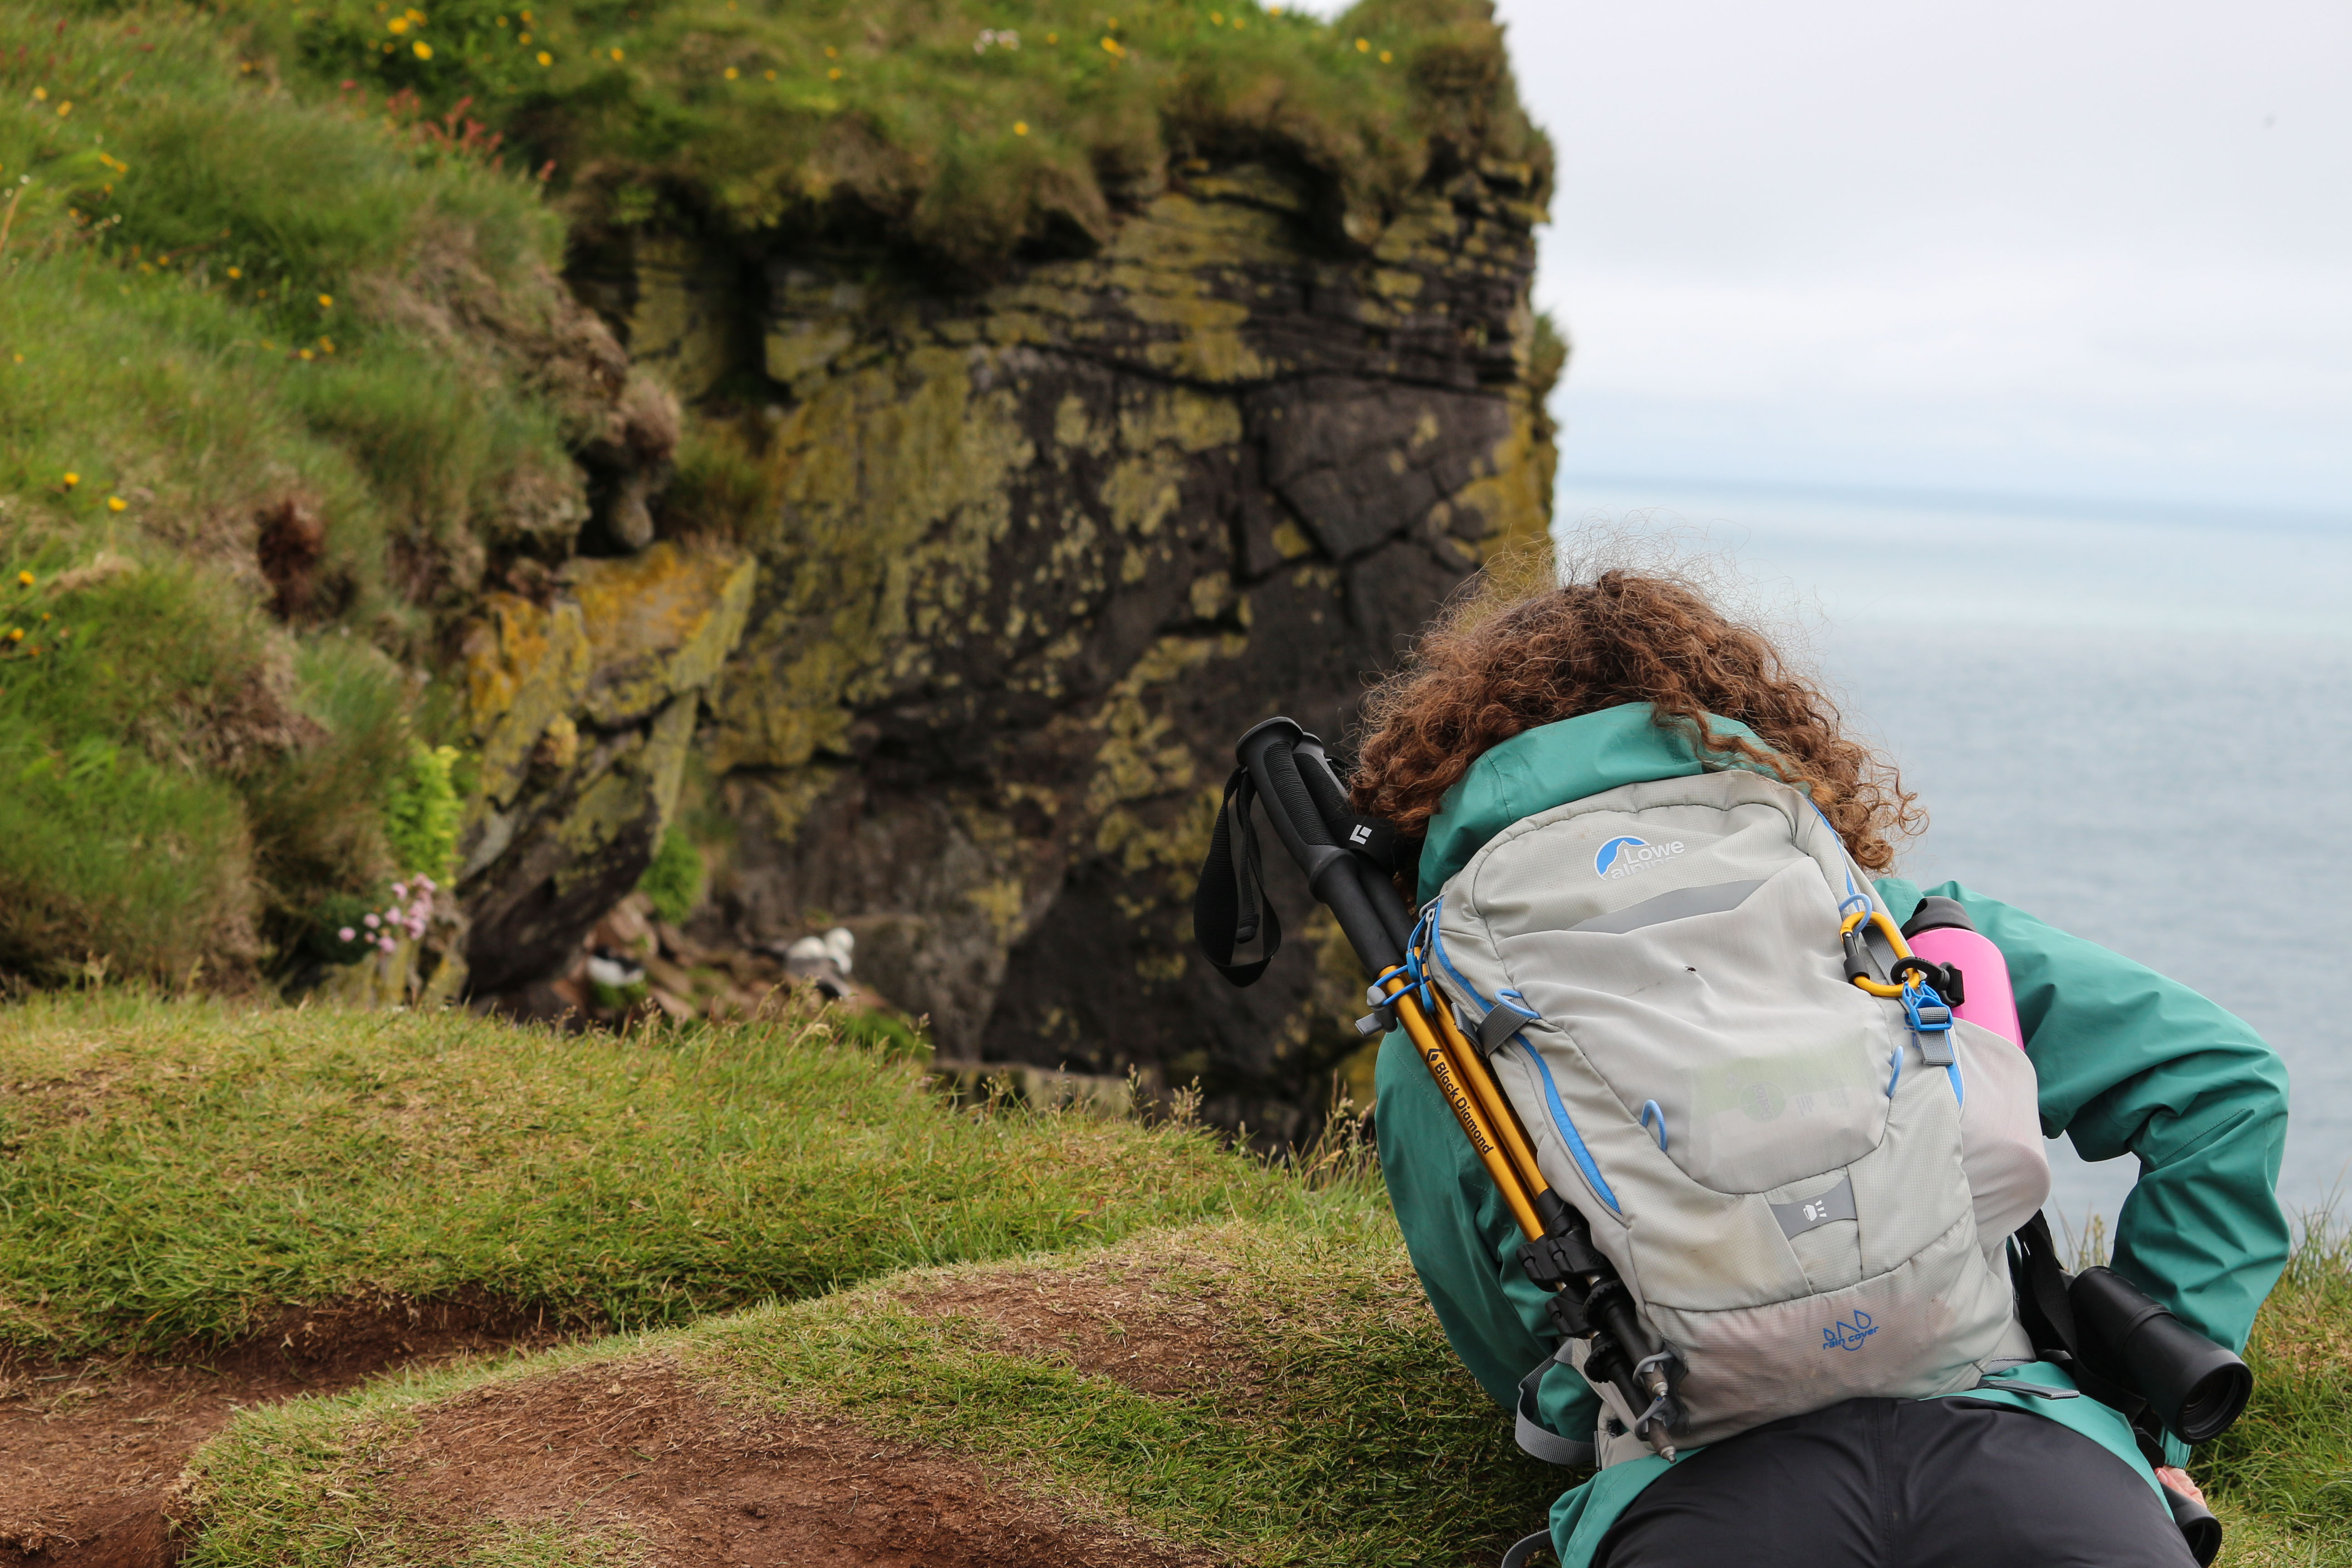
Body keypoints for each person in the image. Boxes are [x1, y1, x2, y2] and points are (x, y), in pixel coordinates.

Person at [1346, 567, 2289, 1568]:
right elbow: (2223, 1085)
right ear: (1741, 721)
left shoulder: (1450, 1019)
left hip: (1695, 1489)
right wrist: (2148, 1406)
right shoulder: (1890, 925)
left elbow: (1516, 1349)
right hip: (2030, 1451)